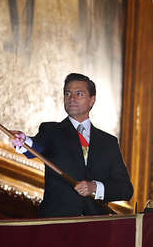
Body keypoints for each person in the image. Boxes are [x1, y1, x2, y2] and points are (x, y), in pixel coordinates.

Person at [11, 73, 133, 217]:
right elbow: (36, 147)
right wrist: (24, 141)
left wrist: (94, 187)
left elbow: (125, 189)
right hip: (57, 224)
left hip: (96, 226)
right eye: (67, 93)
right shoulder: (50, 131)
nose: (72, 98)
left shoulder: (108, 142)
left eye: (79, 94)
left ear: (92, 100)